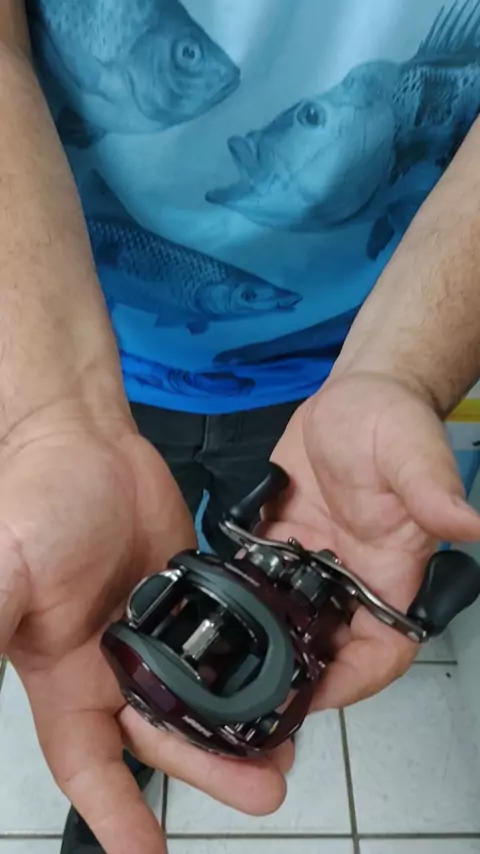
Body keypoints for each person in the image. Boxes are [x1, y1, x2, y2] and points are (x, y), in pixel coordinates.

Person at [1, 1, 480, 852]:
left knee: (257, 555)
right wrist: (47, 406)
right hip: (95, 356)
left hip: (338, 365)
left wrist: (404, 364)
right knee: (145, 576)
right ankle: (134, 738)